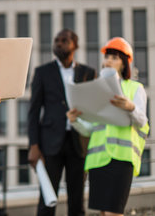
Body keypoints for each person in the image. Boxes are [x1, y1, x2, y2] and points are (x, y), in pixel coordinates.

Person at [66, 37, 149, 216]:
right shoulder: (98, 89)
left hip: (122, 160)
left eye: (115, 57)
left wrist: (130, 107)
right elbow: (90, 129)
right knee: (104, 213)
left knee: (114, 212)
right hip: (98, 160)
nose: (109, 61)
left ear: (124, 63)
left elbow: (142, 121)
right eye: (107, 57)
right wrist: (75, 121)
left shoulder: (135, 89)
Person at [27, 29, 96, 216]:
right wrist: (33, 145)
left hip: (79, 143)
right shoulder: (42, 72)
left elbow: (94, 110)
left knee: (77, 201)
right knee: (47, 200)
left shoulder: (88, 73)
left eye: (64, 40)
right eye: (56, 40)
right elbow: (33, 112)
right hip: (50, 144)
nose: (59, 43)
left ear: (75, 45)